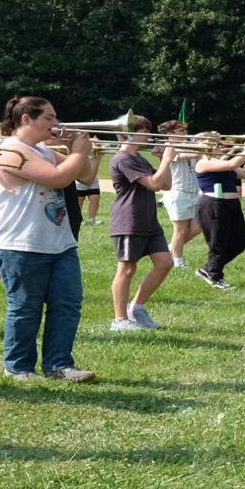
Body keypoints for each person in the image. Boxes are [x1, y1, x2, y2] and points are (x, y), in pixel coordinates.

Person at [0, 95, 96, 382]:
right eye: (49, 118)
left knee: (67, 304)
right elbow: (58, 178)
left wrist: (80, 151)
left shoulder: (44, 151)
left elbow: (85, 176)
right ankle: (18, 367)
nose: (56, 123)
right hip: (20, 243)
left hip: (59, 242)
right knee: (26, 308)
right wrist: (76, 154)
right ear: (26, 118)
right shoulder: (10, 151)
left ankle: (60, 365)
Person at [106, 115, 175, 331]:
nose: (150, 135)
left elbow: (167, 185)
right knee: (127, 269)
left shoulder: (139, 158)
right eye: (146, 131)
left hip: (148, 220)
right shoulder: (123, 158)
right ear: (130, 133)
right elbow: (154, 184)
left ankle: (136, 308)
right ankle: (119, 320)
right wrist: (166, 159)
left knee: (165, 263)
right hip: (129, 220)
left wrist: (166, 161)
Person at [192, 140, 245, 290]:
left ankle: (208, 269)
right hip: (214, 204)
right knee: (218, 243)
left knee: (239, 243)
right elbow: (232, 164)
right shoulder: (203, 163)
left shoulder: (222, 163)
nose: (221, 148)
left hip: (232, 205)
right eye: (217, 146)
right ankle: (214, 276)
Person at [156, 119, 204, 267]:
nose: (185, 132)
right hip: (178, 192)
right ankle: (177, 261)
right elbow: (190, 155)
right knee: (181, 231)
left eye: (184, 129)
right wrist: (204, 142)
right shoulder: (168, 148)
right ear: (170, 134)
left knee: (201, 224)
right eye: (181, 130)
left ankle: (170, 248)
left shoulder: (189, 144)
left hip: (194, 192)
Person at [76, 149, 103, 225]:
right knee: (80, 200)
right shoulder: (81, 155)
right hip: (80, 181)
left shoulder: (96, 155)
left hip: (94, 181)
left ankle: (92, 220)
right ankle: (78, 219)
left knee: (95, 199)